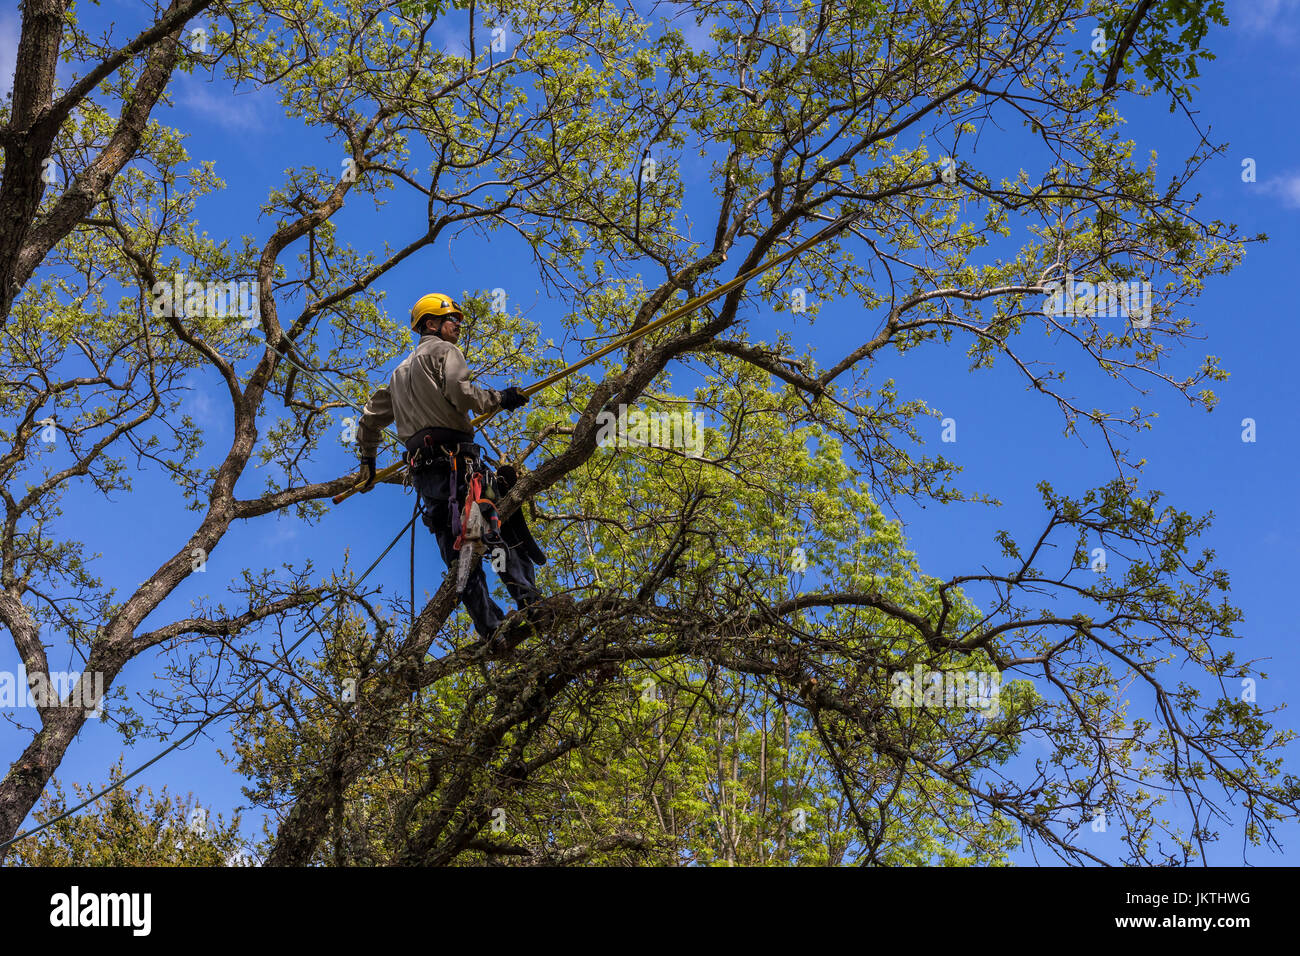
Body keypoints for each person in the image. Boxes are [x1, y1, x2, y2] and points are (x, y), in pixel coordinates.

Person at [354, 292, 543, 642]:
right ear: (431, 324)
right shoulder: (445, 352)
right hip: (462, 468)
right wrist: (501, 398)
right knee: (496, 534)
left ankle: (491, 630)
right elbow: (461, 392)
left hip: (429, 481)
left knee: (458, 554)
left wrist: (368, 462)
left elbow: (368, 422)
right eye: (452, 319)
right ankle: (531, 604)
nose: (458, 325)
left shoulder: (397, 376)